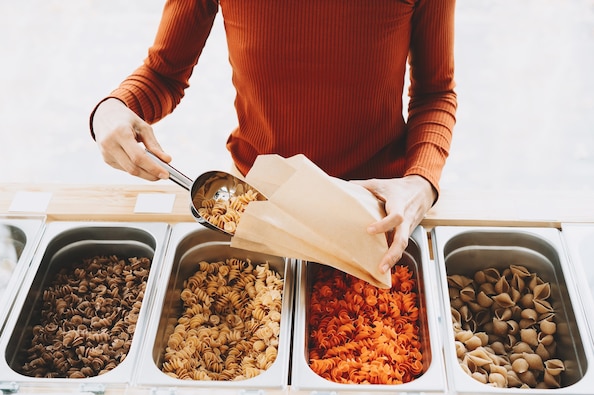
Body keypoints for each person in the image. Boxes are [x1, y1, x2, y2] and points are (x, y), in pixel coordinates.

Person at [89, 0, 457, 275]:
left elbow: (435, 92)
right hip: (260, 205)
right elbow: (163, 74)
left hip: (372, 212)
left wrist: (420, 183)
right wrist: (112, 108)